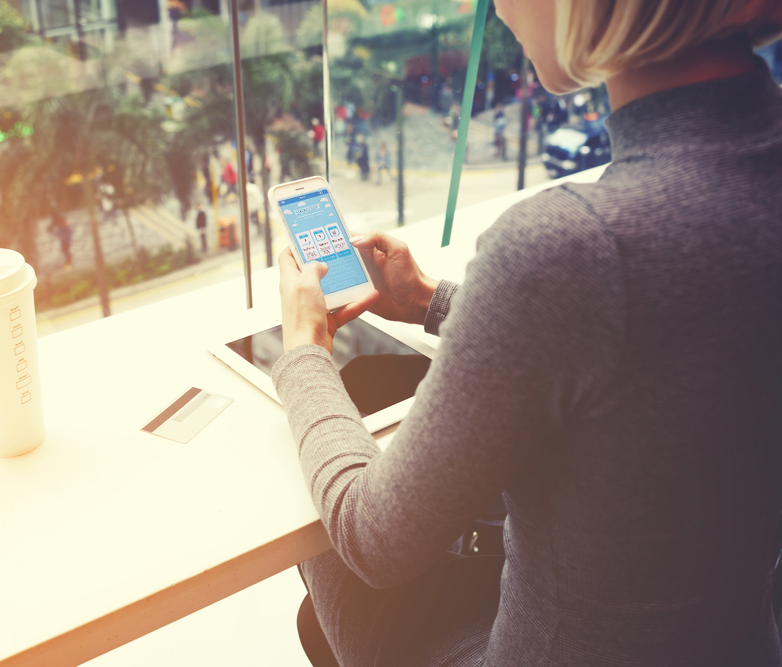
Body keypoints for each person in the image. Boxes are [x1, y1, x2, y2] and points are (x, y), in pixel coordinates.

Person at [274, 1, 782, 665]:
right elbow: (669, 338)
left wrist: (305, 350)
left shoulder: (570, 245)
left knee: (320, 529)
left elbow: (375, 539)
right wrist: (435, 301)